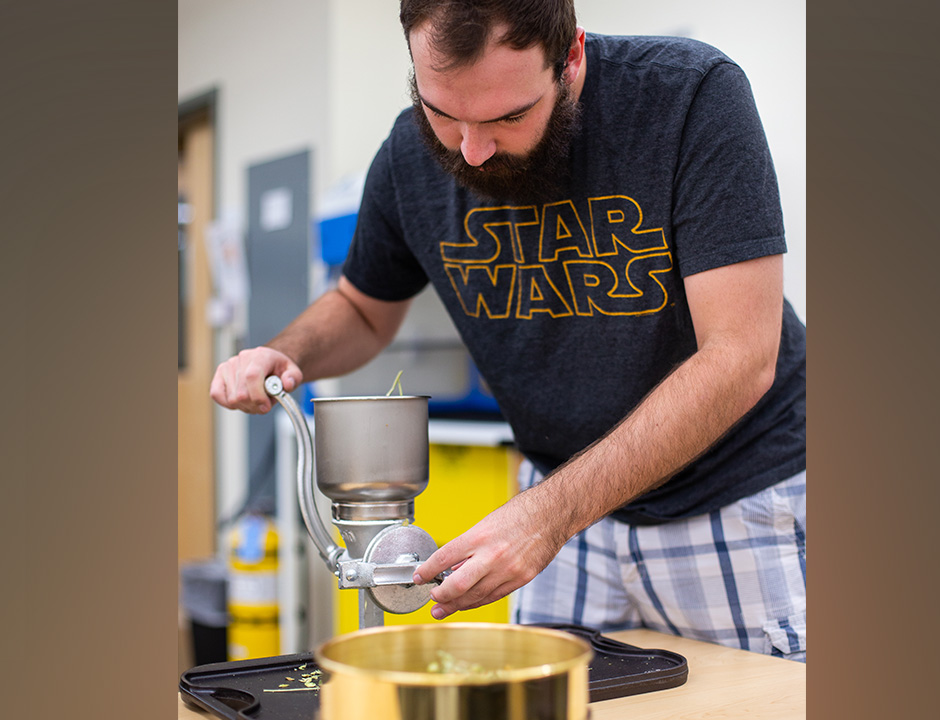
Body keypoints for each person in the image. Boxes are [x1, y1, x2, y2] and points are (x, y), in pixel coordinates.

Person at [211, 0, 806, 661]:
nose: (471, 148)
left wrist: (548, 516)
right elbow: (360, 307)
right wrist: (285, 352)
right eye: (442, 111)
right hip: (560, 509)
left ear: (572, 57)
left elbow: (741, 356)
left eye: (508, 116)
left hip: (728, 498)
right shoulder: (408, 155)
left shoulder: (687, 95)